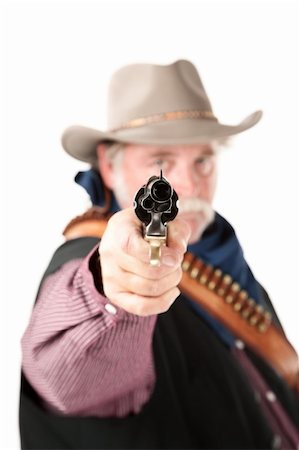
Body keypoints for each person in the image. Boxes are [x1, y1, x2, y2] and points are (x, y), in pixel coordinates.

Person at [20, 60, 299, 449]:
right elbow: (67, 374)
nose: (188, 184)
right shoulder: (90, 259)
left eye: (202, 160)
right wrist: (110, 290)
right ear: (108, 165)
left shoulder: (224, 261)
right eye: (162, 162)